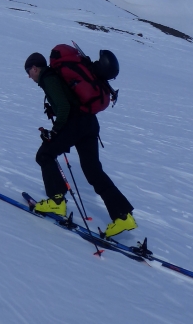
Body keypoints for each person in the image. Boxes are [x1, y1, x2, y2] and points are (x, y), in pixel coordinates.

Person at [24, 51, 137, 238]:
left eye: (29, 72)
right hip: (89, 123)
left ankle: (56, 201)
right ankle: (123, 216)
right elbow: (67, 101)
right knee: (93, 172)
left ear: (35, 68)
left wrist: (54, 131)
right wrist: (55, 109)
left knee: (44, 155)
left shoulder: (48, 78)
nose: (29, 76)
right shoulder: (56, 76)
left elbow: (65, 107)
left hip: (76, 123)